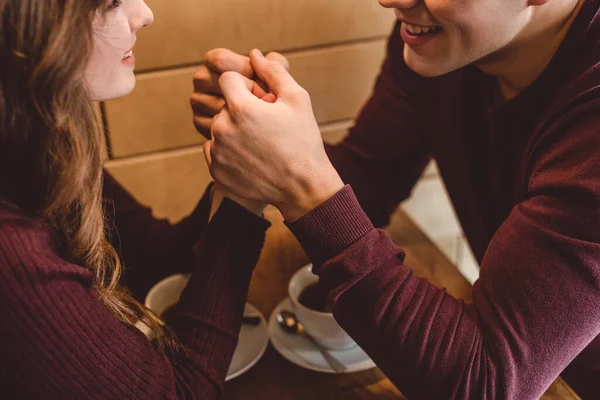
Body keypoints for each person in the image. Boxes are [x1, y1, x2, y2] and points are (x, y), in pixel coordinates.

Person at [191, 0, 600, 398]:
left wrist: (302, 183)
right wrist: (266, 129)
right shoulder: (443, 41)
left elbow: (485, 383)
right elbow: (372, 178)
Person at [0, 0, 268, 398]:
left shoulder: (35, 142)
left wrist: (235, 166)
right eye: (109, 2)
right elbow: (181, 393)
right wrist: (247, 192)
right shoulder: (13, 257)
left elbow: (153, 255)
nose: (144, 13)